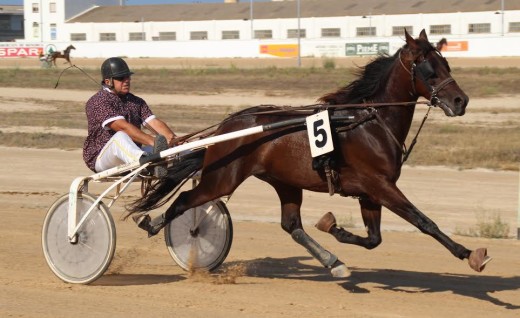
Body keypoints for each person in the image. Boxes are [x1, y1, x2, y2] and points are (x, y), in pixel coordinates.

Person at [82, 57, 177, 178]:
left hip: (132, 154)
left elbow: (153, 122)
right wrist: (154, 142)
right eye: (121, 78)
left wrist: (173, 140)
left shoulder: (136, 101)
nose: (127, 80)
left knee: (175, 147)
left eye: (128, 77)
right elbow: (122, 127)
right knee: (121, 136)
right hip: (102, 158)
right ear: (108, 82)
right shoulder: (98, 101)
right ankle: (147, 165)